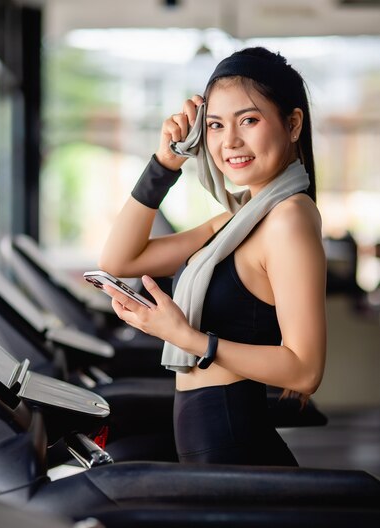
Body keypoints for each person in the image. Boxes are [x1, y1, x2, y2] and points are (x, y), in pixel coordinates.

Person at [99, 46, 327, 469]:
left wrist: (186, 337)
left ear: (293, 124)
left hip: (236, 448)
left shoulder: (288, 219)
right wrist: (165, 163)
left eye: (249, 120)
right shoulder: (236, 221)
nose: (230, 142)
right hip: (213, 442)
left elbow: (304, 369)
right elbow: (120, 261)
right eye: (217, 125)